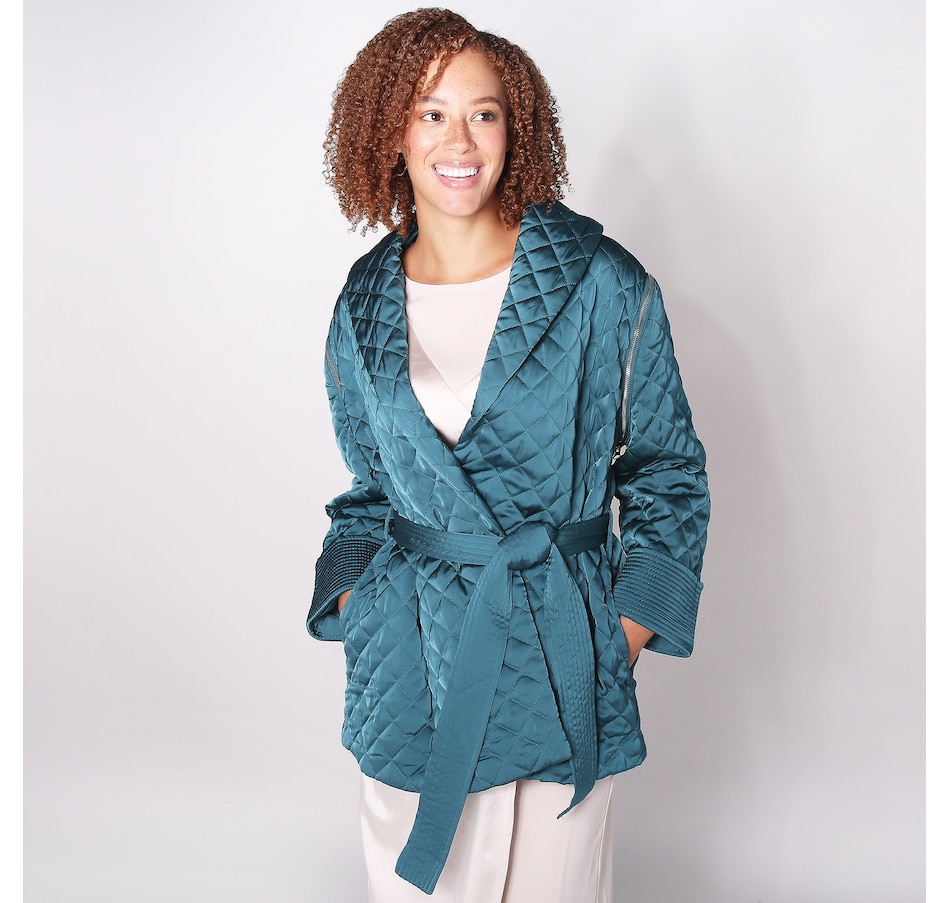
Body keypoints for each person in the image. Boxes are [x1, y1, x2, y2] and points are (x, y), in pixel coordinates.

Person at [306, 8, 710, 901]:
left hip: (556, 654)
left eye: (483, 113)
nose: (459, 141)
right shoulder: (362, 304)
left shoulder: (602, 282)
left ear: (514, 127)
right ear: (389, 132)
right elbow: (368, 489)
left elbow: (668, 474)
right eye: (431, 113)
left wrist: (616, 638)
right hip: (409, 670)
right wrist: (357, 608)